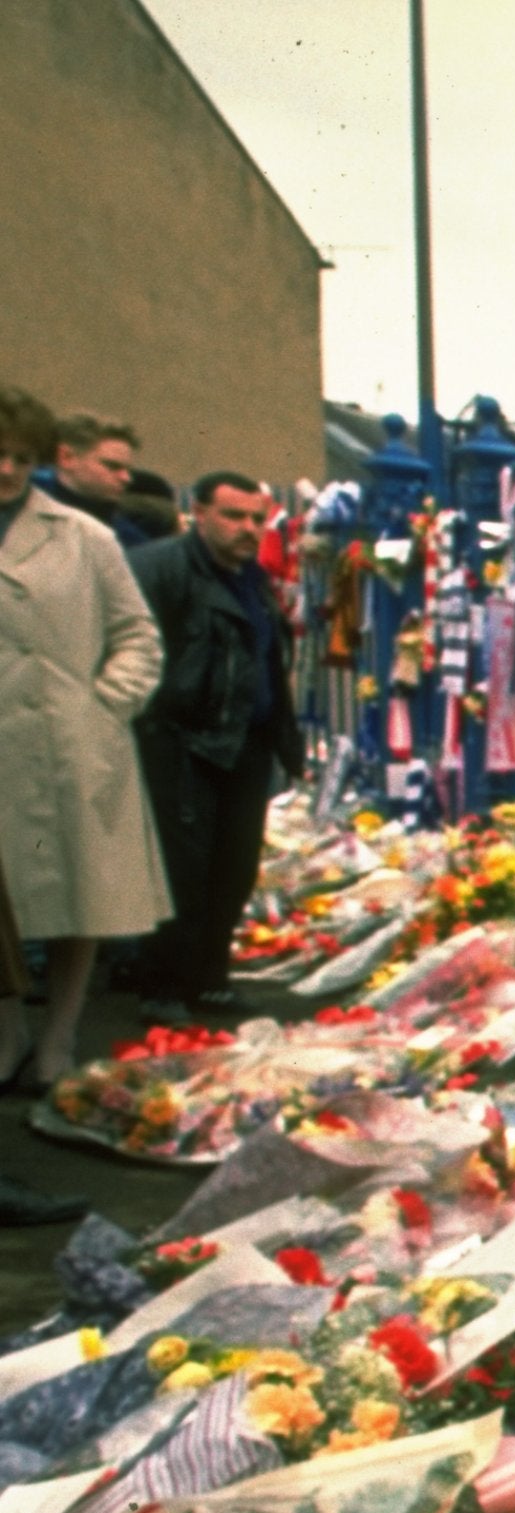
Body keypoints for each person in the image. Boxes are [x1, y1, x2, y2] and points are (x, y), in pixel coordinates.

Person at [0, 383, 171, 1110]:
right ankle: (9, 1032)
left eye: (20, 457)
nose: (7, 469)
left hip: (71, 744)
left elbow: (138, 635)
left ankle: (61, 1038)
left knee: (81, 898)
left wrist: (105, 705)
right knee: (4, 907)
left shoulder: (84, 536)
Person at [126, 471, 301, 1016]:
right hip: (183, 739)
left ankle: (208, 977)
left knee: (235, 866)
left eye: (257, 518)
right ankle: (164, 984)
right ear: (198, 513)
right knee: (184, 868)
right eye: (233, 516)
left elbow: (268, 660)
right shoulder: (160, 568)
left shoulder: (252, 577)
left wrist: (285, 740)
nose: (248, 529)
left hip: (245, 743)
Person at [40, 414, 141, 544]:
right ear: (67, 457)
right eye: (112, 466)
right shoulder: (18, 511)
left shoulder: (129, 539)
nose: (127, 478)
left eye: (128, 470)